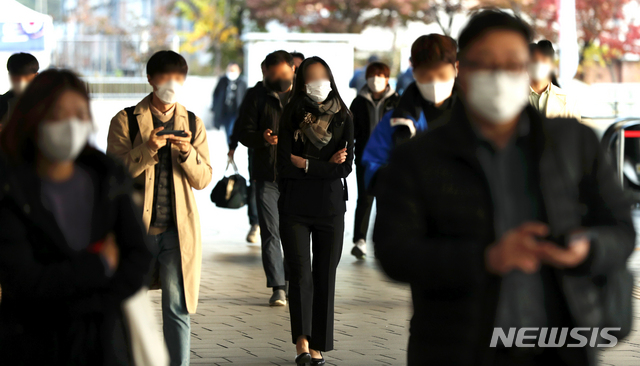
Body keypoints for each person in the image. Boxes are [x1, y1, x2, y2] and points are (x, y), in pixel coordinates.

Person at [374, 10, 635, 366]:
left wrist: (586, 247)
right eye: (485, 63)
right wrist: (486, 259)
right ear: (462, 72)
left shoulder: (576, 144)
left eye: (512, 63)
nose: (499, 75)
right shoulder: (419, 157)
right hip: (456, 345)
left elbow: (621, 229)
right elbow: (393, 251)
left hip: (560, 343)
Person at [0, 69, 151, 365]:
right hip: (31, 343)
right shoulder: (11, 188)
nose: (70, 124)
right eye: (58, 114)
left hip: (103, 343)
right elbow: (23, 279)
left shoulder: (108, 177)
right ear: (33, 119)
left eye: (80, 113)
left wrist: (94, 301)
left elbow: (139, 257)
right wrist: (99, 264)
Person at [107, 50, 212, 366]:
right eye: (165, 77)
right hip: (135, 230)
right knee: (127, 306)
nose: (172, 84)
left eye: (178, 78)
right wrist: (148, 147)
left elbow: (204, 178)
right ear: (151, 79)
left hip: (176, 231)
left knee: (176, 308)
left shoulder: (192, 122)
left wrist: (186, 153)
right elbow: (113, 176)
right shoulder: (126, 119)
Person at [277, 56, 354, 366]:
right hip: (294, 206)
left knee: (325, 277)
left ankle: (320, 344)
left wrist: (306, 164)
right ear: (302, 81)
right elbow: (284, 165)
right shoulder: (290, 113)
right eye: (311, 76)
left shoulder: (343, 115)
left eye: (323, 75)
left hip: (331, 207)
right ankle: (302, 343)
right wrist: (324, 165)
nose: (318, 80)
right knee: (300, 276)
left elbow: (345, 167)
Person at [361, 34, 458, 191]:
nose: (434, 82)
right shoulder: (395, 121)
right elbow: (372, 171)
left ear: (456, 68)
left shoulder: (477, 117)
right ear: (414, 73)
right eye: (426, 76)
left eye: (442, 75)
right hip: (407, 210)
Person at [236, 50, 295, 306]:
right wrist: (262, 137)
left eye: (282, 73)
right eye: (272, 75)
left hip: (298, 177)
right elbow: (242, 132)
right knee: (271, 231)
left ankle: (294, 281)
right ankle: (278, 287)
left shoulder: (305, 96)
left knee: (294, 232)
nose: (277, 78)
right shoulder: (256, 95)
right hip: (266, 175)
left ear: (292, 69)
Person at [348, 61, 399, 259]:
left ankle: (385, 241)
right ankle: (360, 241)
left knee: (387, 201)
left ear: (387, 79)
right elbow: (350, 130)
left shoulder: (397, 102)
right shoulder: (358, 102)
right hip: (365, 158)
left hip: (391, 159)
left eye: (381, 75)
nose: (376, 80)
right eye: (372, 75)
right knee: (365, 198)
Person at [228, 61, 267, 244]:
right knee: (256, 187)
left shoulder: (294, 94)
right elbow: (241, 119)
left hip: (285, 156)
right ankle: (255, 223)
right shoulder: (254, 93)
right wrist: (233, 144)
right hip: (258, 151)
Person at [529, 40, 581, 120]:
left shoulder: (569, 101)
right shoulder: (511, 97)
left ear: (552, 65)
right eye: (534, 61)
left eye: (544, 60)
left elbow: (576, 131)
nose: (539, 64)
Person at [212, 62, 247, 143]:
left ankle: (232, 147)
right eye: (230, 70)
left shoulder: (242, 82)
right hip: (225, 111)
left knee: (232, 129)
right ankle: (230, 146)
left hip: (237, 112)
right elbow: (216, 94)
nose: (231, 72)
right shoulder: (222, 81)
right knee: (228, 130)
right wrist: (215, 108)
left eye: (233, 70)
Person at [0, 52, 39, 126]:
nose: (21, 80)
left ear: (36, 75)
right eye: (16, 77)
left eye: (26, 76)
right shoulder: (3, 102)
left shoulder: (46, 100)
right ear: (10, 76)